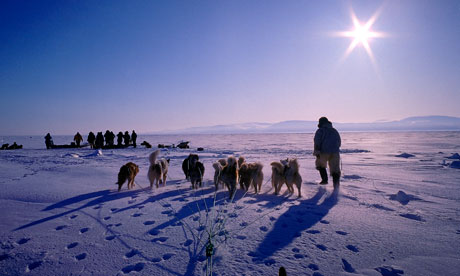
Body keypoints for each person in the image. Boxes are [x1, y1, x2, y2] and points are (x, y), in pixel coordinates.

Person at [313, 117, 341, 188]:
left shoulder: (320, 131)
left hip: (323, 152)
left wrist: (317, 152)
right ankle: (336, 185)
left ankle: (324, 180)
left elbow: (317, 142)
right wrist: (336, 148)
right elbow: (339, 141)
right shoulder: (334, 130)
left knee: (320, 165)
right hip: (335, 152)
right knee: (335, 169)